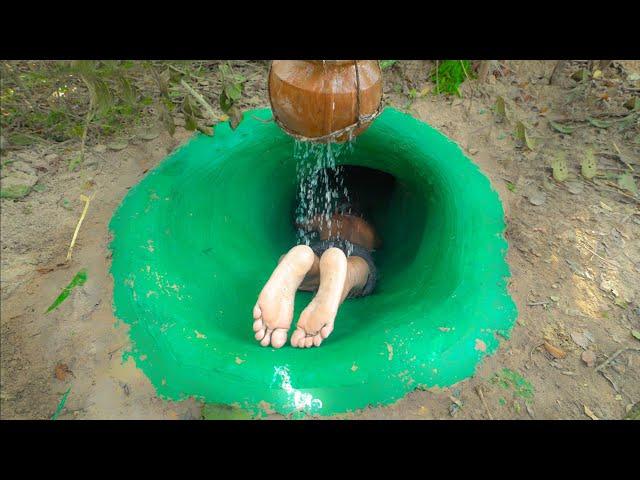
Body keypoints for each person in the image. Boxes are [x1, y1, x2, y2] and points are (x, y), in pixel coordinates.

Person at [252, 165, 389, 349]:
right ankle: (346, 275)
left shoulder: (326, 219)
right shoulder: (364, 226)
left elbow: (301, 223)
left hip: (321, 247)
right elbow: (378, 245)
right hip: (357, 250)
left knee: (316, 265)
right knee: (357, 268)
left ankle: (302, 258)